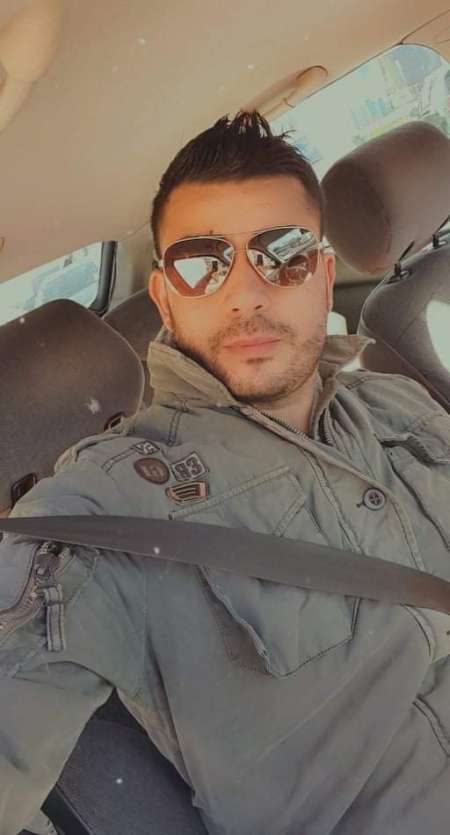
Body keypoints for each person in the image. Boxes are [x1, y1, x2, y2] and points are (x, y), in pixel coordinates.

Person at [1, 111, 450, 835]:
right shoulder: (105, 508)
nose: (246, 293)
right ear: (165, 298)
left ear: (323, 276)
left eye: (284, 254)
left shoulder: (396, 402)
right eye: (201, 262)